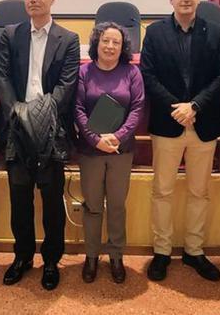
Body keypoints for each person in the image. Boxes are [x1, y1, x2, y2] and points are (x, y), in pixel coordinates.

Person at [140, 0, 220, 282]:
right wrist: (177, 108)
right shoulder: (153, 33)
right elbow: (148, 76)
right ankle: (162, 251)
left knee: (199, 191)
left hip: (203, 122)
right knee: (162, 191)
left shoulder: (215, 32)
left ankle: (194, 250)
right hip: (168, 124)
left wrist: (195, 106)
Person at [0, 0, 80, 290]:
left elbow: (66, 87)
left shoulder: (68, 39)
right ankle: (22, 257)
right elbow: (1, 77)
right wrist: (18, 114)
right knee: (19, 200)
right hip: (16, 129)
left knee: (51, 201)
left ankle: (51, 261)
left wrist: (39, 117)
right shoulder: (10, 35)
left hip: (51, 132)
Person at [74, 22, 145, 284]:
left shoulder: (132, 73)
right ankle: (91, 256)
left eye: (116, 42)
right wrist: (94, 139)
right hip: (90, 151)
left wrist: (117, 136)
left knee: (116, 206)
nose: (110, 46)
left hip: (121, 150)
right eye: (105, 41)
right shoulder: (84, 72)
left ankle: (116, 255)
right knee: (92, 206)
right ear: (97, 43)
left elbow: (137, 108)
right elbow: (77, 108)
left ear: (123, 46)